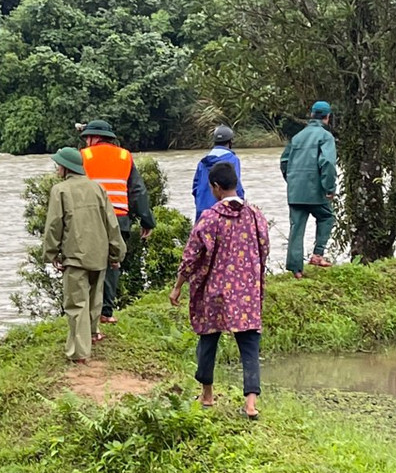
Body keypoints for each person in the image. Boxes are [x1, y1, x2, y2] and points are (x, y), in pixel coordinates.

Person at [169, 161, 269, 420]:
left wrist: (179, 286)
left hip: (214, 292)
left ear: (215, 187)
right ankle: (250, 404)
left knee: (208, 338)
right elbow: (264, 248)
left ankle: (207, 394)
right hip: (247, 291)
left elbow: (191, 255)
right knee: (249, 344)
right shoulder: (255, 215)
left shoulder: (210, 218)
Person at [41, 147, 126, 364]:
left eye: (58, 164)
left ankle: (79, 353)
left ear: (65, 167)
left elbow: (54, 225)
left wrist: (51, 253)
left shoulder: (60, 190)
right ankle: (93, 334)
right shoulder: (97, 188)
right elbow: (111, 223)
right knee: (94, 300)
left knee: (76, 304)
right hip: (99, 255)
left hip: (75, 256)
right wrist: (116, 253)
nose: (56, 167)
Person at [78, 119, 156, 323]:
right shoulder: (124, 156)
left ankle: (87, 312)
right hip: (119, 218)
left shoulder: (83, 156)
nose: (86, 141)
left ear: (94, 137)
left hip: (91, 218)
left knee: (88, 263)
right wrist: (147, 220)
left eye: (87, 137)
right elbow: (138, 190)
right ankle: (106, 312)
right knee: (113, 263)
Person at [280, 100, 338, 279]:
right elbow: (327, 163)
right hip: (315, 191)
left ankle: (296, 270)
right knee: (327, 217)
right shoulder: (325, 137)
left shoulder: (297, 137)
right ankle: (318, 255)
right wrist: (329, 188)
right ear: (328, 117)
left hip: (295, 190)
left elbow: (284, 162)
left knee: (296, 227)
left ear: (312, 115)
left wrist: (292, 181)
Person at [191, 125, 245, 223]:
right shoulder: (233, 160)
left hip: (203, 214)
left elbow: (195, 189)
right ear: (230, 142)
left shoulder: (203, 162)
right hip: (226, 214)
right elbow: (235, 186)